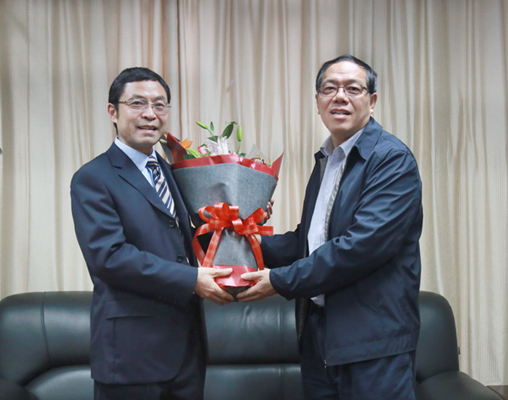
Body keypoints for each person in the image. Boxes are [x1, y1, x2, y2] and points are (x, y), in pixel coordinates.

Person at [238, 55, 423, 399]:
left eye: (353, 88)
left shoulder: (391, 159)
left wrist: (279, 281)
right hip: (320, 337)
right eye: (329, 89)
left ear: (372, 101)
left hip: (372, 342)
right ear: (318, 101)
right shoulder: (327, 160)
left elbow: (360, 247)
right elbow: (310, 241)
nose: (340, 97)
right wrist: (240, 241)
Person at [71, 67, 234, 400]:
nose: (150, 114)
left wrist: (242, 219)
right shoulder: (93, 178)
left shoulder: (173, 172)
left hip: (186, 351)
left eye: (160, 105)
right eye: (137, 103)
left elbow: (188, 239)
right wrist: (191, 279)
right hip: (131, 354)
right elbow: (110, 258)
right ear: (113, 112)